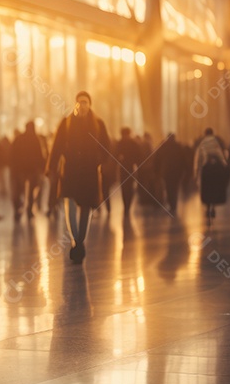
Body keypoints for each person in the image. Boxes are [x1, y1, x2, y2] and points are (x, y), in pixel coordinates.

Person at [46, 91, 110, 263]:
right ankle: (77, 241)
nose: (83, 105)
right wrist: (51, 166)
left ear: (90, 104)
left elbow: (106, 147)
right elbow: (57, 146)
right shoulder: (66, 123)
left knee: (86, 207)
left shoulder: (98, 124)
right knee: (70, 204)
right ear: (75, 103)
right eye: (80, 102)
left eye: (85, 102)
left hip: (89, 171)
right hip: (70, 171)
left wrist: (104, 163)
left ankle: (79, 241)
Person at [10, 121, 46, 221]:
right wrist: (43, 168)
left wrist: (13, 168)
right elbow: (39, 155)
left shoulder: (19, 138)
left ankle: (18, 210)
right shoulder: (35, 139)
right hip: (32, 170)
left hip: (19, 170)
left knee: (19, 191)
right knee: (31, 191)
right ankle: (29, 211)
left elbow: (12, 154)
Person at [194, 128, 228, 221]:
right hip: (216, 171)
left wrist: (196, 173)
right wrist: (224, 168)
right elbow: (221, 157)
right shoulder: (216, 143)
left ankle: (208, 208)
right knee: (214, 189)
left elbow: (198, 159)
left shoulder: (202, 143)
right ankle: (213, 207)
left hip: (206, 171)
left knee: (207, 190)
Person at [114, 127, 143, 218]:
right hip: (129, 168)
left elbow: (115, 155)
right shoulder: (133, 143)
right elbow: (139, 156)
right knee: (128, 187)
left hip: (124, 168)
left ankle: (127, 205)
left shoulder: (120, 143)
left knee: (125, 187)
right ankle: (127, 205)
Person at [155, 134, 186, 215]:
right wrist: (183, 170)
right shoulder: (178, 146)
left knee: (168, 187)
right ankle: (174, 204)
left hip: (166, 171)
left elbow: (157, 158)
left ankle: (171, 203)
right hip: (177, 171)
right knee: (175, 187)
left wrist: (157, 170)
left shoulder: (163, 146)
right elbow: (184, 159)